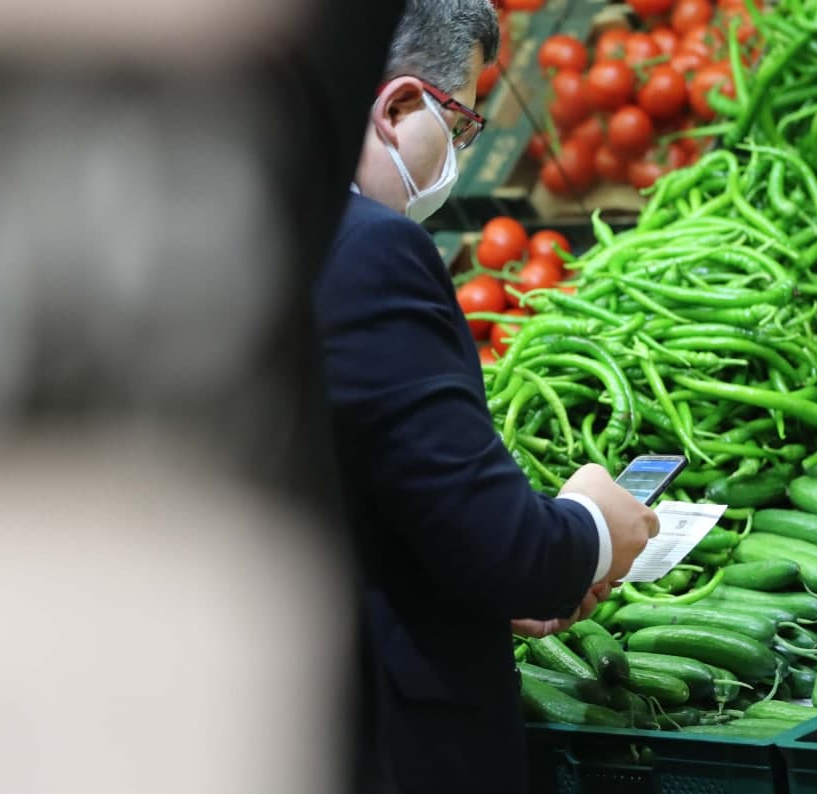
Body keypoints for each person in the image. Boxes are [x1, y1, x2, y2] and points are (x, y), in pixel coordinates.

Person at [310, 1, 662, 792]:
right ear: (399, 108)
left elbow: (359, 506)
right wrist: (590, 525)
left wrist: (461, 581)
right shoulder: (372, 248)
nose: (463, 149)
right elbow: (505, 543)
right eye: (462, 123)